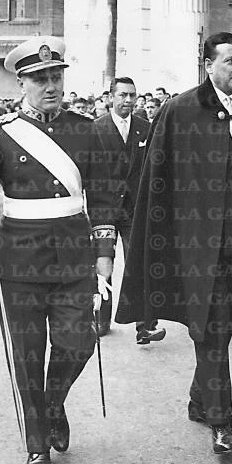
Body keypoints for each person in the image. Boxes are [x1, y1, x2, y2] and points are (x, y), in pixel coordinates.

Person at [116, 32, 232, 456]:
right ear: (208, 66)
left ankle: (200, 399)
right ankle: (222, 420)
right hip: (199, 252)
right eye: (230, 61)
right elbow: (157, 182)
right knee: (211, 332)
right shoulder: (180, 110)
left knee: (220, 332)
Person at [0, 36, 118, 464]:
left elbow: (104, 197)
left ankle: (53, 405)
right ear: (20, 83)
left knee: (79, 343)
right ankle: (37, 444)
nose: (50, 86)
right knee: (28, 355)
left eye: (56, 77)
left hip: (74, 258)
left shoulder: (87, 129)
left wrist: (104, 254)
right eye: (39, 79)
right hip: (20, 262)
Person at [93, 77, 156, 341]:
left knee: (139, 265)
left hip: (134, 210)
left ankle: (144, 325)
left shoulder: (145, 128)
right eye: (122, 95)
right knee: (102, 265)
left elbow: (153, 167)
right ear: (110, 98)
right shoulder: (95, 128)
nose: (128, 101)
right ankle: (100, 320)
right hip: (105, 211)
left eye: (132, 95)